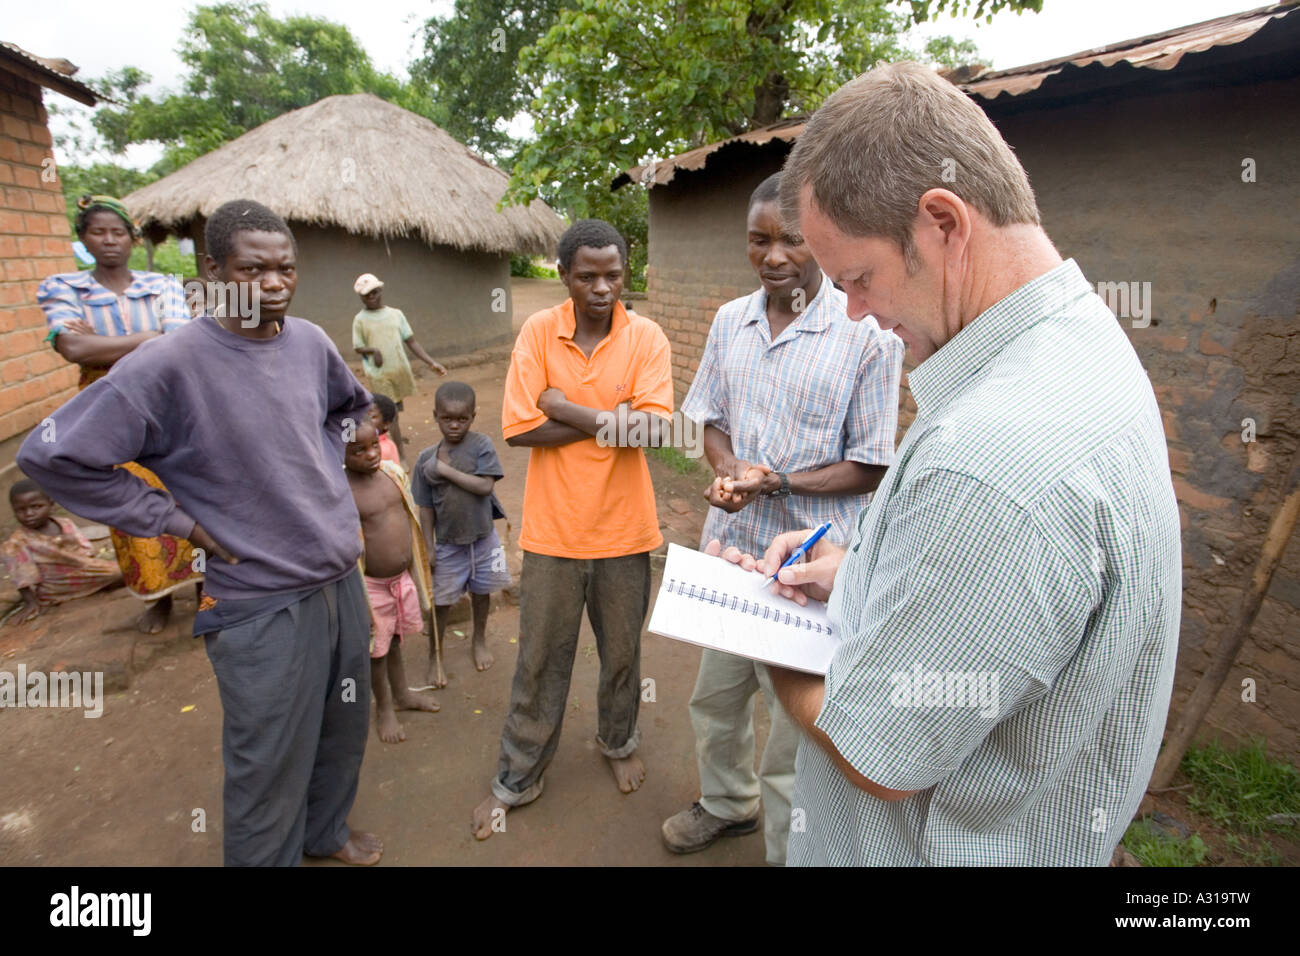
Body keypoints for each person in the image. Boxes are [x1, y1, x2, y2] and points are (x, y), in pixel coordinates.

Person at [712, 62, 1181, 866]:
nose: (854, 310)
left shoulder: (991, 461)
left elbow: (878, 755)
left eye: (858, 277)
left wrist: (768, 633)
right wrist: (857, 572)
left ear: (942, 223)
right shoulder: (1080, 343)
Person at [19, 199, 384, 867]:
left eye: (286, 268)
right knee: (268, 761)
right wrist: (173, 521)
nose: (274, 284)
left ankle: (323, 834)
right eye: (253, 269)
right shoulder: (169, 363)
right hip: (258, 599)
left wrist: (333, 449)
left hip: (338, 580)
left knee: (340, 728)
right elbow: (51, 455)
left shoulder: (308, 342)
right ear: (213, 269)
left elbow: (352, 407)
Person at [660, 173, 903, 866]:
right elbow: (708, 417)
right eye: (758, 239)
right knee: (715, 698)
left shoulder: (867, 337)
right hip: (731, 554)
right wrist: (731, 471)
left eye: (791, 239)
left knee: (796, 735)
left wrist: (777, 483)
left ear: (819, 241)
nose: (773, 255)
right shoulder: (728, 321)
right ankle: (726, 805)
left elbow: (872, 463)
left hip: (811, 572)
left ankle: (786, 851)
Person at [470, 219, 673, 841]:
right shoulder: (538, 332)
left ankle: (618, 742)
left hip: (625, 534)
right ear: (564, 275)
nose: (603, 287)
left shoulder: (646, 337)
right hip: (553, 535)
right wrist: (608, 419)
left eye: (614, 274)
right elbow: (519, 429)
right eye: (588, 275)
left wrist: (562, 406)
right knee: (539, 661)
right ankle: (518, 775)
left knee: (622, 656)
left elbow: (653, 431)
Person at [37, 194, 201, 634]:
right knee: (126, 498)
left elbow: (178, 344)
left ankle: (205, 585)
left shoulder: (162, 283)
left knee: (186, 489)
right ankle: (158, 596)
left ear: (132, 237)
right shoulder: (63, 287)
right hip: (105, 410)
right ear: (83, 238)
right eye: (98, 232)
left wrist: (107, 344)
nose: (109, 241)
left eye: (117, 232)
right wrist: (149, 336)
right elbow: (72, 347)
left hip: (166, 402)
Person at [410, 381, 511, 683]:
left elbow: (484, 486)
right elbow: (425, 508)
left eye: (462, 419)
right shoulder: (424, 460)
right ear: (435, 416)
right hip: (447, 544)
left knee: (483, 593)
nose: (454, 425)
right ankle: (435, 655)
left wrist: (445, 471)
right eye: (447, 418)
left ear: (473, 416)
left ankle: (478, 640)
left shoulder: (481, 446)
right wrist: (428, 547)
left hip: (483, 539)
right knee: (441, 602)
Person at [345, 419, 439, 743]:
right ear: (340, 452)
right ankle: (384, 707)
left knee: (395, 641)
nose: (371, 454)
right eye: (359, 451)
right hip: (371, 587)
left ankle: (402, 695)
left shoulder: (391, 474)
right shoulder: (344, 492)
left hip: (400, 580)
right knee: (376, 651)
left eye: (374, 445)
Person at [352, 273, 448, 461]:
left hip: (398, 369)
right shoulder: (360, 319)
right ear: (361, 297)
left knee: (395, 408)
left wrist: (431, 362)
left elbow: (411, 341)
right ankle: (400, 455)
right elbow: (358, 346)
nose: (371, 297)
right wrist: (373, 350)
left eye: (374, 292)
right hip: (379, 373)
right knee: (390, 412)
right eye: (366, 295)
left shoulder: (396, 314)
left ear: (381, 290)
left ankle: (391, 436)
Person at [3, 478, 122, 623]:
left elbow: (86, 550)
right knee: (123, 573)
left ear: (51, 503)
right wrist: (31, 603)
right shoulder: (18, 542)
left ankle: (99, 582)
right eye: (20, 510)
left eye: (36, 506)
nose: (29, 514)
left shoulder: (64, 523)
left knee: (120, 566)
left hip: (84, 570)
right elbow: (23, 578)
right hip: (56, 587)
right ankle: (99, 583)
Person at [367, 393, 402, 467]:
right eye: (361, 415)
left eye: (371, 417)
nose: (364, 419)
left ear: (386, 423)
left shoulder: (383, 449)